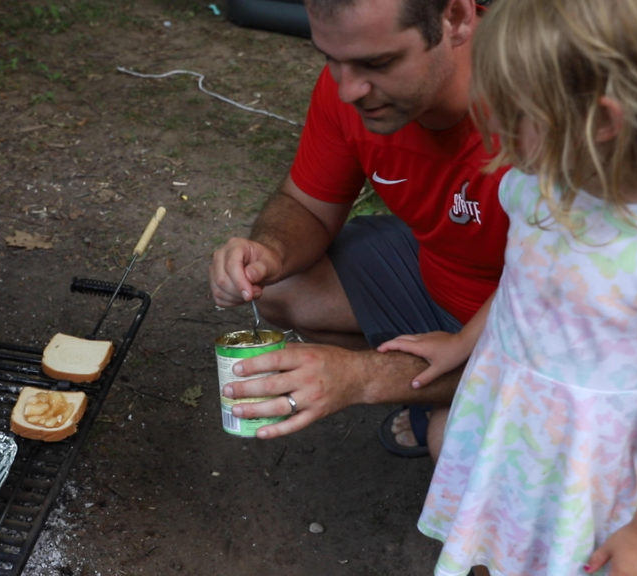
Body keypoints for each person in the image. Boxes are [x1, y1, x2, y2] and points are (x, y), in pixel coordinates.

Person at [377, 0, 637, 573]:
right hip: (510, 417)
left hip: (587, 469)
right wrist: (462, 343)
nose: (492, 130)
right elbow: (523, 277)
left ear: (601, 123)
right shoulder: (535, 187)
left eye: (512, 115)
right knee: (490, 540)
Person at [208, 0, 510, 457]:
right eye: (330, 58)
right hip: (445, 277)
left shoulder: (550, 108)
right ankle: (449, 389)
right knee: (278, 284)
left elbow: (566, 324)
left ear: (456, 19)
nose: (348, 89)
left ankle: (458, 399)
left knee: (456, 448)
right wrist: (270, 250)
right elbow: (304, 205)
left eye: (379, 62)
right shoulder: (355, 83)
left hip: (546, 322)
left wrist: (359, 378)